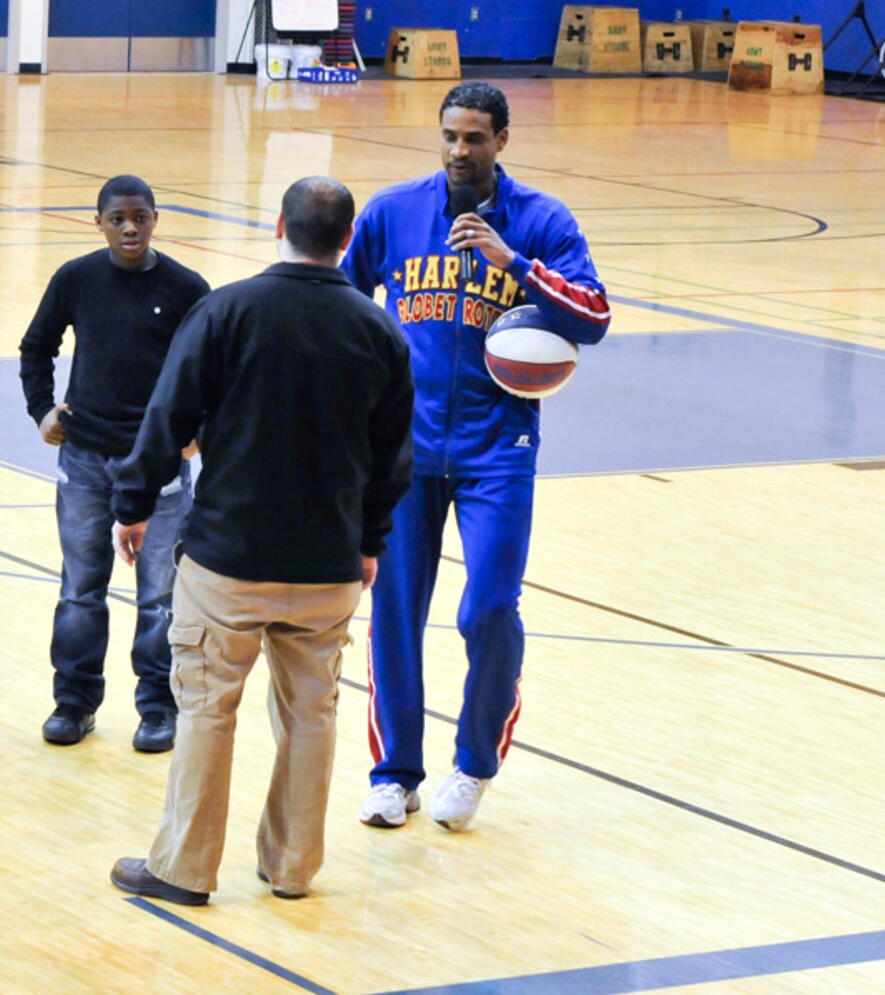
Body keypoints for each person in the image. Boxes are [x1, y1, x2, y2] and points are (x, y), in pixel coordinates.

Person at [106, 178, 414, 906]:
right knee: (312, 713)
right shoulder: (381, 331)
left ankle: (183, 868)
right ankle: (293, 867)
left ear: (278, 225)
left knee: (208, 708)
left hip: (228, 561)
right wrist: (367, 540)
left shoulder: (227, 310)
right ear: (346, 241)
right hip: (330, 565)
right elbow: (393, 456)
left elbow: (167, 413)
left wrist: (132, 502)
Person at [342, 81, 609, 833]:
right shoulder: (394, 212)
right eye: (450, 136)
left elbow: (594, 316)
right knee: (394, 610)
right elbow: (339, 295)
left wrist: (514, 261)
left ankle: (474, 762)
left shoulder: (543, 221)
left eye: (476, 139)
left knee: (490, 606)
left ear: (502, 141)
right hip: (405, 446)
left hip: (500, 447)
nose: (460, 150)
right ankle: (394, 773)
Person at [18, 175, 209, 753]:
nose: (130, 228)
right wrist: (41, 411)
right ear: (97, 222)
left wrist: (196, 429)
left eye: (141, 217)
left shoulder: (185, 287)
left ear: (156, 219)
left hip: (156, 466)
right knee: (80, 587)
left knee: (160, 595)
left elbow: (212, 362)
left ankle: (157, 707)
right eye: (118, 218)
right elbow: (36, 347)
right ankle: (73, 703)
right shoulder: (75, 279)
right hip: (84, 460)